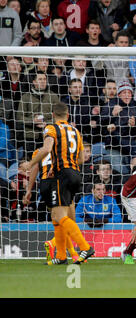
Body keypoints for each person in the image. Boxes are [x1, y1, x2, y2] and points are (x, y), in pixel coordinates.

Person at [21, 101, 95, 265]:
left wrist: (30, 164)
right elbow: (82, 158)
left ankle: (85, 247)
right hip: (76, 174)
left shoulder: (51, 129)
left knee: (60, 216)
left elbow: (46, 150)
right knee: (60, 216)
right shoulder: (76, 131)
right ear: (68, 115)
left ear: (53, 115)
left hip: (60, 176)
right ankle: (62, 256)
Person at [23, 148, 80, 262]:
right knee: (70, 222)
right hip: (59, 185)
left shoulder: (39, 152)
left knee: (61, 222)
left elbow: (34, 170)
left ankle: (68, 254)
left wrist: (29, 190)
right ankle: (55, 245)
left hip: (45, 187)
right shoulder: (61, 149)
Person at [16, 71, 60, 158]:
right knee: (30, 162)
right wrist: (33, 121)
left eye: (44, 79)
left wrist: (46, 123)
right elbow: (19, 117)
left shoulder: (53, 96)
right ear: (34, 82)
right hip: (30, 137)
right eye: (40, 79)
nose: (43, 81)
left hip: (48, 136)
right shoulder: (25, 97)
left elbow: (58, 117)